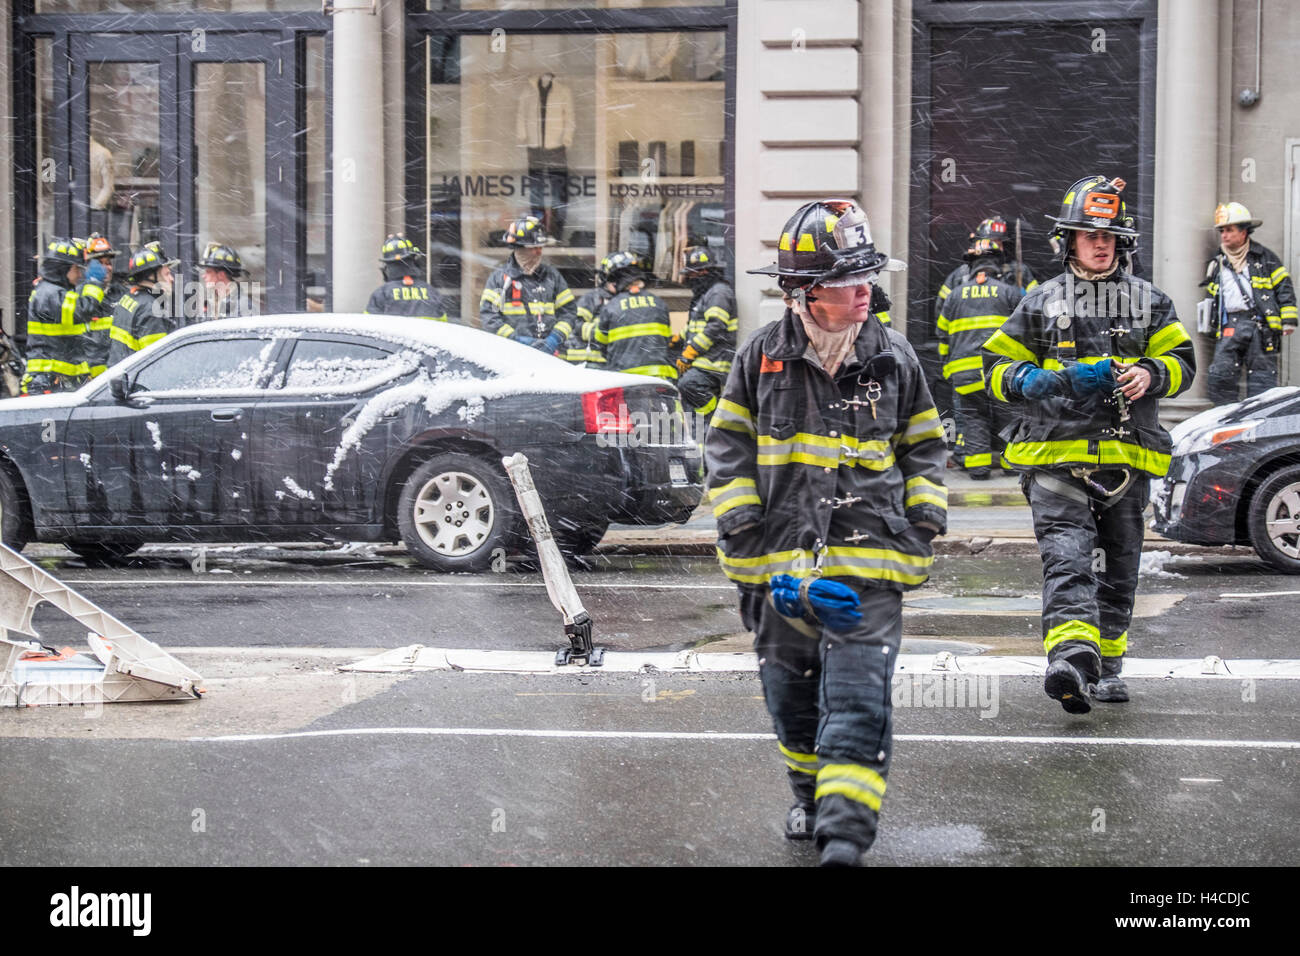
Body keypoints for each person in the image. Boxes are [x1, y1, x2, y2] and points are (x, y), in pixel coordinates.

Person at [706, 199, 947, 866]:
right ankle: (810, 796)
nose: (866, 292)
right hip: (777, 568)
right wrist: (739, 522)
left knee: (858, 698)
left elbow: (924, 445)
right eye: (850, 281)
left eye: (868, 277)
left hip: (871, 565)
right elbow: (725, 445)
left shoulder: (894, 358)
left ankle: (844, 835)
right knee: (791, 697)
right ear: (805, 294)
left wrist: (924, 519)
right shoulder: (762, 358)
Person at [982, 175, 1196, 712]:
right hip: (1057, 458)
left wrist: (1152, 372)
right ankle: (1072, 660)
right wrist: (1026, 381)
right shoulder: (1039, 302)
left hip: (1127, 460)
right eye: (1087, 235)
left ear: (1123, 243)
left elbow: (1183, 363)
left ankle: (1108, 667)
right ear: (1068, 241)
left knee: (1119, 567)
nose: (1100, 244)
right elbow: (993, 366)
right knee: (1069, 560)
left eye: (1109, 236)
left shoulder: (1151, 302)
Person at [937, 236, 1023, 478]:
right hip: (1000, 372)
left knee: (973, 417)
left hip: (964, 373)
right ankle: (1011, 464)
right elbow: (1024, 333)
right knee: (1008, 416)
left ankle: (978, 468)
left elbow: (942, 334)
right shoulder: (1009, 293)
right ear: (997, 265)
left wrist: (946, 368)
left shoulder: (954, 295)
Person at [1201, 202, 1297, 405]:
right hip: (1230, 325)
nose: (1224, 236)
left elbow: (1284, 287)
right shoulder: (1218, 260)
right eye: (1222, 231)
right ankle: (1226, 417)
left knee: (1262, 378)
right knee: (1221, 375)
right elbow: (1213, 295)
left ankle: (1259, 419)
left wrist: (1288, 320)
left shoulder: (1265, 258)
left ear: (1244, 232)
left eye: (1229, 230)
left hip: (1260, 325)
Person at [478, 216, 576, 355]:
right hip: (511, 355)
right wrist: (515, 340)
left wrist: (555, 339)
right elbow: (489, 317)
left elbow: (569, 313)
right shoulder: (500, 279)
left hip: (549, 356)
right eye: (534, 248)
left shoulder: (552, 277)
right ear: (519, 248)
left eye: (540, 247)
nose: (539, 252)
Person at [673, 246, 737, 419]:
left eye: (693, 274)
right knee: (682, 389)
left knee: (689, 384)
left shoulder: (718, 293)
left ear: (705, 272)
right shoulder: (706, 294)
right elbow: (696, 325)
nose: (690, 278)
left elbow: (715, 326)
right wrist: (678, 338)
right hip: (704, 360)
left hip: (715, 361)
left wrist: (691, 351)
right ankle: (701, 429)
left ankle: (716, 418)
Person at [593, 251, 676, 381]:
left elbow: (600, 344)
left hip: (624, 382)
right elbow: (665, 342)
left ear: (616, 280)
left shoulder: (611, 308)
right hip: (659, 381)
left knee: (621, 403)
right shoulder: (660, 304)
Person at [935, 216, 1038, 319]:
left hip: (1007, 334)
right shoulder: (961, 275)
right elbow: (942, 311)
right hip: (970, 334)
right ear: (978, 243)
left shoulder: (1018, 271)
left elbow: (1037, 302)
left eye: (999, 243)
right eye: (991, 242)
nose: (996, 247)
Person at [22, 237, 89, 394]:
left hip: (56, 379)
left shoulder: (53, 291)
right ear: (63, 268)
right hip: (47, 380)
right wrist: (94, 284)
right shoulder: (50, 293)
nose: (79, 275)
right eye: (76, 269)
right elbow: (81, 312)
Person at [108, 242, 181, 367]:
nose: (172, 279)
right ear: (151, 276)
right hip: (138, 383)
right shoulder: (151, 309)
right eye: (167, 274)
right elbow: (158, 362)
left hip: (120, 375)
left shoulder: (128, 298)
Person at [75, 232, 127, 378]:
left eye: (109, 263)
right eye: (100, 263)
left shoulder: (122, 294)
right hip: (89, 380)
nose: (107, 268)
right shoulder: (78, 297)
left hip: (119, 373)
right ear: (87, 267)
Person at [364, 235, 447, 323]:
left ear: (387, 266)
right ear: (414, 261)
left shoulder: (381, 294)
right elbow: (443, 324)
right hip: (425, 337)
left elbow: (369, 326)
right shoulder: (431, 292)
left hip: (394, 337)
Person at [564, 253, 614, 365]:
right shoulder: (592, 299)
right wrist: (602, 333)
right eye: (613, 279)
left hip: (608, 363)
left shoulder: (623, 300)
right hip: (586, 362)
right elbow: (575, 324)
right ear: (605, 279)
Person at [194, 242, 255, 321]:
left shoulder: (243, 307)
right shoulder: (208, 305)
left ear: (221, 275)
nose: (203, 276)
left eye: (208, 272)